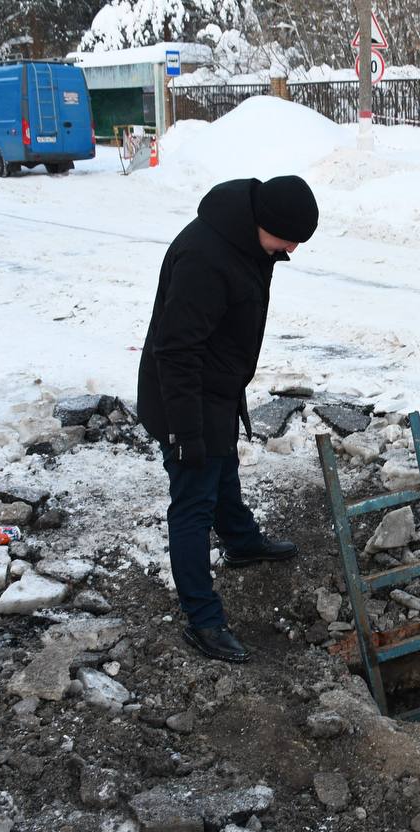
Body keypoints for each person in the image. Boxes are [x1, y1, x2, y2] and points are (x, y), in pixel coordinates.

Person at [137, 175, 318, 662]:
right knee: (193, 501)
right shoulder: (206, 258)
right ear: (265, 222)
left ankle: (240, 541)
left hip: (215, 389)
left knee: (222, 468)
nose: (291, 251)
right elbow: (175, 350)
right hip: (182, 397)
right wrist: (184, 432)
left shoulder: (250, 244)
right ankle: (203, 619)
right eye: (288, 240)